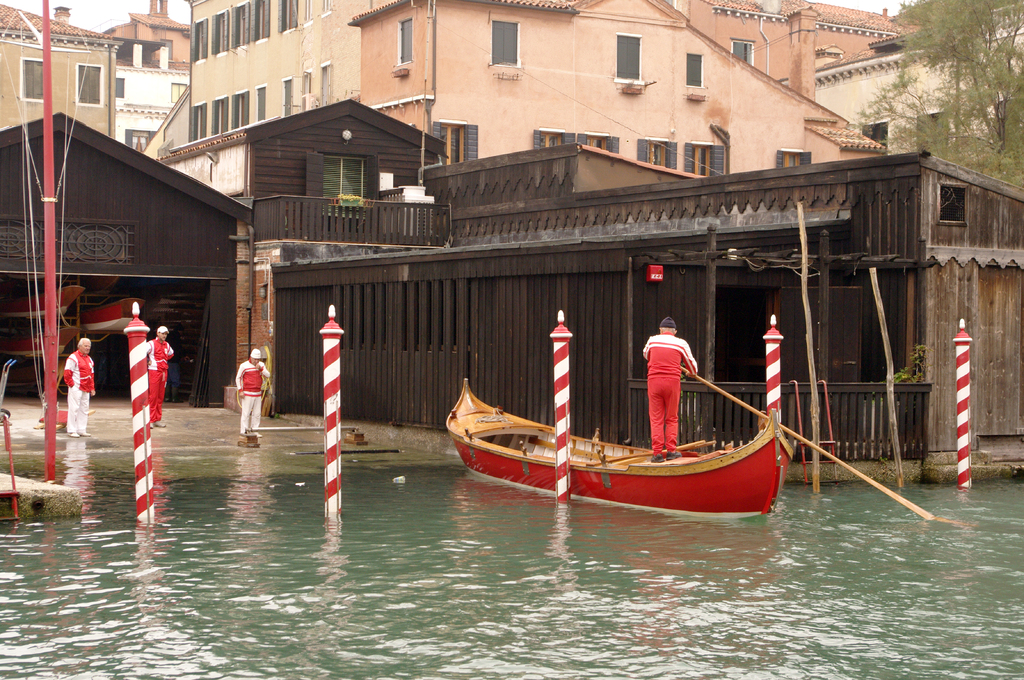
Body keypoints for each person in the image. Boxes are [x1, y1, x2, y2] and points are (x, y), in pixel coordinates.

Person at [643, 316, 698, 463]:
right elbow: (693, 367)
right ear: (675, 332)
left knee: (656, 418)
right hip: (672, 382)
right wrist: (690, 372)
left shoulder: (652, 340)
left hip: (654, 381)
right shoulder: (681, 343)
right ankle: (671, 451)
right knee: (672, 417)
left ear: (660, 330)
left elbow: (646, 355)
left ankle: (657, 454)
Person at [63, 338, 95, 438]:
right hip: (76, 386)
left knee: (84, 409)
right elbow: (67, 373)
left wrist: (92, 388)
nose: (88, 348)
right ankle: (72, 430)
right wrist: (71, 385)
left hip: (86, 388)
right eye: (86, 346)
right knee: (74, 408)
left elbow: (91, 375)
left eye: (89, 346)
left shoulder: (89, 359)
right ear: (79, 346)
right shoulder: (73, 358)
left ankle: (81, 429)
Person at [236, 348, 270, 436]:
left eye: (258, 359)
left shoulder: (261, 365)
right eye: (255, 359)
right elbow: (238, 378)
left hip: (257, 393)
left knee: (257, 414)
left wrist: (261, 369)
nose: (256, 361)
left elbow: (268, 375)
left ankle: (255, 430)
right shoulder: (244, 366)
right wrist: (240, 390)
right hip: (247, 393)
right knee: (246, 413)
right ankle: (244, 431)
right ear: (251, 357)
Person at [145, 326, 174, 427]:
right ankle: (151, 419)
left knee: (160, 396)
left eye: (165, 334)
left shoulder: (167, 345)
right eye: (162, 333)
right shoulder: (151, 343)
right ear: (158, 333)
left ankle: (157, 419)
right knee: (153, 396)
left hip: (163, 372)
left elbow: (171, 354)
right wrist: (147, 360)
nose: (164, 335)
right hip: (154, 371)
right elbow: (141, 352)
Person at [166, 323, 183, 402]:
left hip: (167, 361)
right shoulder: (177, 339)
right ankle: (174, 398)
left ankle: (167, 397)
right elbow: (179, 349)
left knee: (168, 380)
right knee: (175, 380)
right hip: (174, 361)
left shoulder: (168, 338)